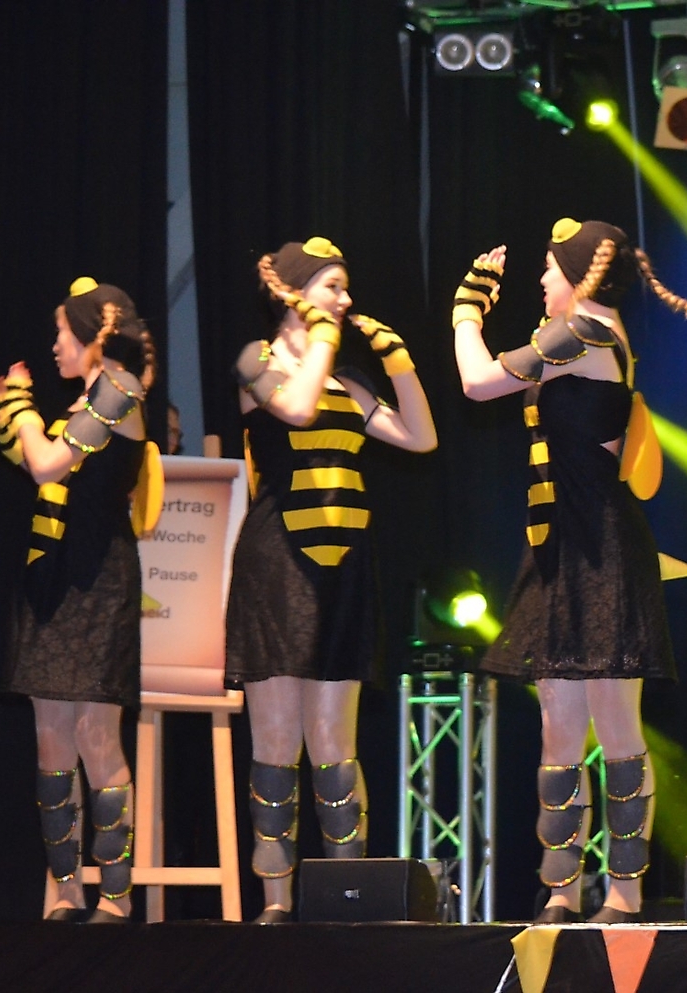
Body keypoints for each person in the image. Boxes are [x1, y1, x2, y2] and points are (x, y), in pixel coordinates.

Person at [452, 219, 687, 924]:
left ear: (579, 277)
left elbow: (478, 382)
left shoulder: (583, 332)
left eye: (549, 270)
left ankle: (625, 893)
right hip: (560, 547)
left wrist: (466, 311)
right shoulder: (581, 333)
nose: (542, 281)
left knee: (616, 730)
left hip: (600, 550)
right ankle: (561, 890)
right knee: (559, 731)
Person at [224, 237, 437, 923]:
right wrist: (317, 339)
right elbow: (296, 409)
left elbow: (421, 436)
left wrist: (398, 361)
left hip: (346, 566)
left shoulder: (348, 377)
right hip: (278, 563)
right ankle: (276, 901)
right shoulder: (256, 360)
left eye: (345, 289)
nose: (345, 300)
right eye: (332, 287)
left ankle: (347, 896)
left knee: (335, 744)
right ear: (295, 293)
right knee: (276, 743)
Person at [0, 277, 158, 922]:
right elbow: (34, 462)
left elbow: (45, 464)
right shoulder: (86, 400)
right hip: (52, 576)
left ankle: (115, 898)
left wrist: (23, 411)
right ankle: (65, 894)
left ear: (93, 336)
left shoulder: (121, 390)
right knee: (51, 739)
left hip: (98, 579)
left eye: (63, 333)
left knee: (96, 735)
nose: (56, 345)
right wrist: (11, 414)